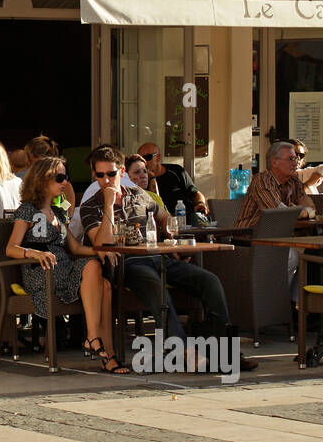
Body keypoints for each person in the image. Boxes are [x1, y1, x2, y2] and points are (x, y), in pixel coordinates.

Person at [80, 149, 256, 372]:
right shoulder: (91, 206)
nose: (106, 180)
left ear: (121, 171)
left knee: (210, 281)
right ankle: (182, 351)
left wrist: (171, 237)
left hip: (159, 258)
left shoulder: (139, 195)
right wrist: (108, 204)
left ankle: (224, 351)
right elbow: (101, 244)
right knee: (156, 287)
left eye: (111, 174)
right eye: (100, 175)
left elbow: (166, 220)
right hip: (128, 264)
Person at [4, 157, 126, 374]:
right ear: (42, 180)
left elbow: (76, 248)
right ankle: (94, 340)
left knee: (105, 286)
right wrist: (34, 252)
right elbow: (10, 248)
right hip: (43, 273)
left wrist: (105, 251)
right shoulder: (27, 210)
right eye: (60, 178)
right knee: (92, 268)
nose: (65, 182)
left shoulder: (59, 213)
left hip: (65, 269)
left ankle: (106, 352)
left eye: (65, 177)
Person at [234, 140, 315, 229]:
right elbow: (279, 214)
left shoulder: (294, 181)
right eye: (291, 159)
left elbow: (312, 209)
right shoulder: (262, 180)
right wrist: (302, 212)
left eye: (296, 158)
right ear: (274, 162)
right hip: (250, 237)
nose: (296, 163)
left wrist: (301, 212)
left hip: (281, 235)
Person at [137, 142, 208, 216]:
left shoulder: (176, 171)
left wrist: (200, 203)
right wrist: (151, 178)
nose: (144, 162)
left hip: (186, 217)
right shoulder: (140, 178)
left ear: (158, 157)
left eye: (147, 157)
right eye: (140, 159)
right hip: (161, 219)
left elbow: (195, 193)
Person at [18, 136, 76, 207]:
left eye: (29, 158)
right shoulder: (28, 177)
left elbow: (68, 203)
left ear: (39, 158)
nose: (27, 162)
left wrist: (63, 215)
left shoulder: (59, 179)